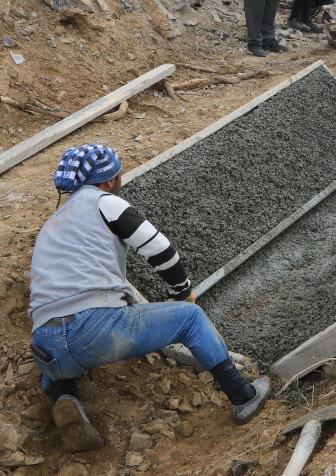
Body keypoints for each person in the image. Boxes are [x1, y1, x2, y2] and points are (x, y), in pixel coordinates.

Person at [28, 144, 270, 453]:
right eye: (117, 176)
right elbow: (162, 251)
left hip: (45, 345)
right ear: (107, 182)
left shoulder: (51, 225)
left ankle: (65, 400)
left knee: (64, 366)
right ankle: (243, 397)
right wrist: (181, 294)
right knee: (190, 318)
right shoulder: (106, 202)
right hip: (93, 328)